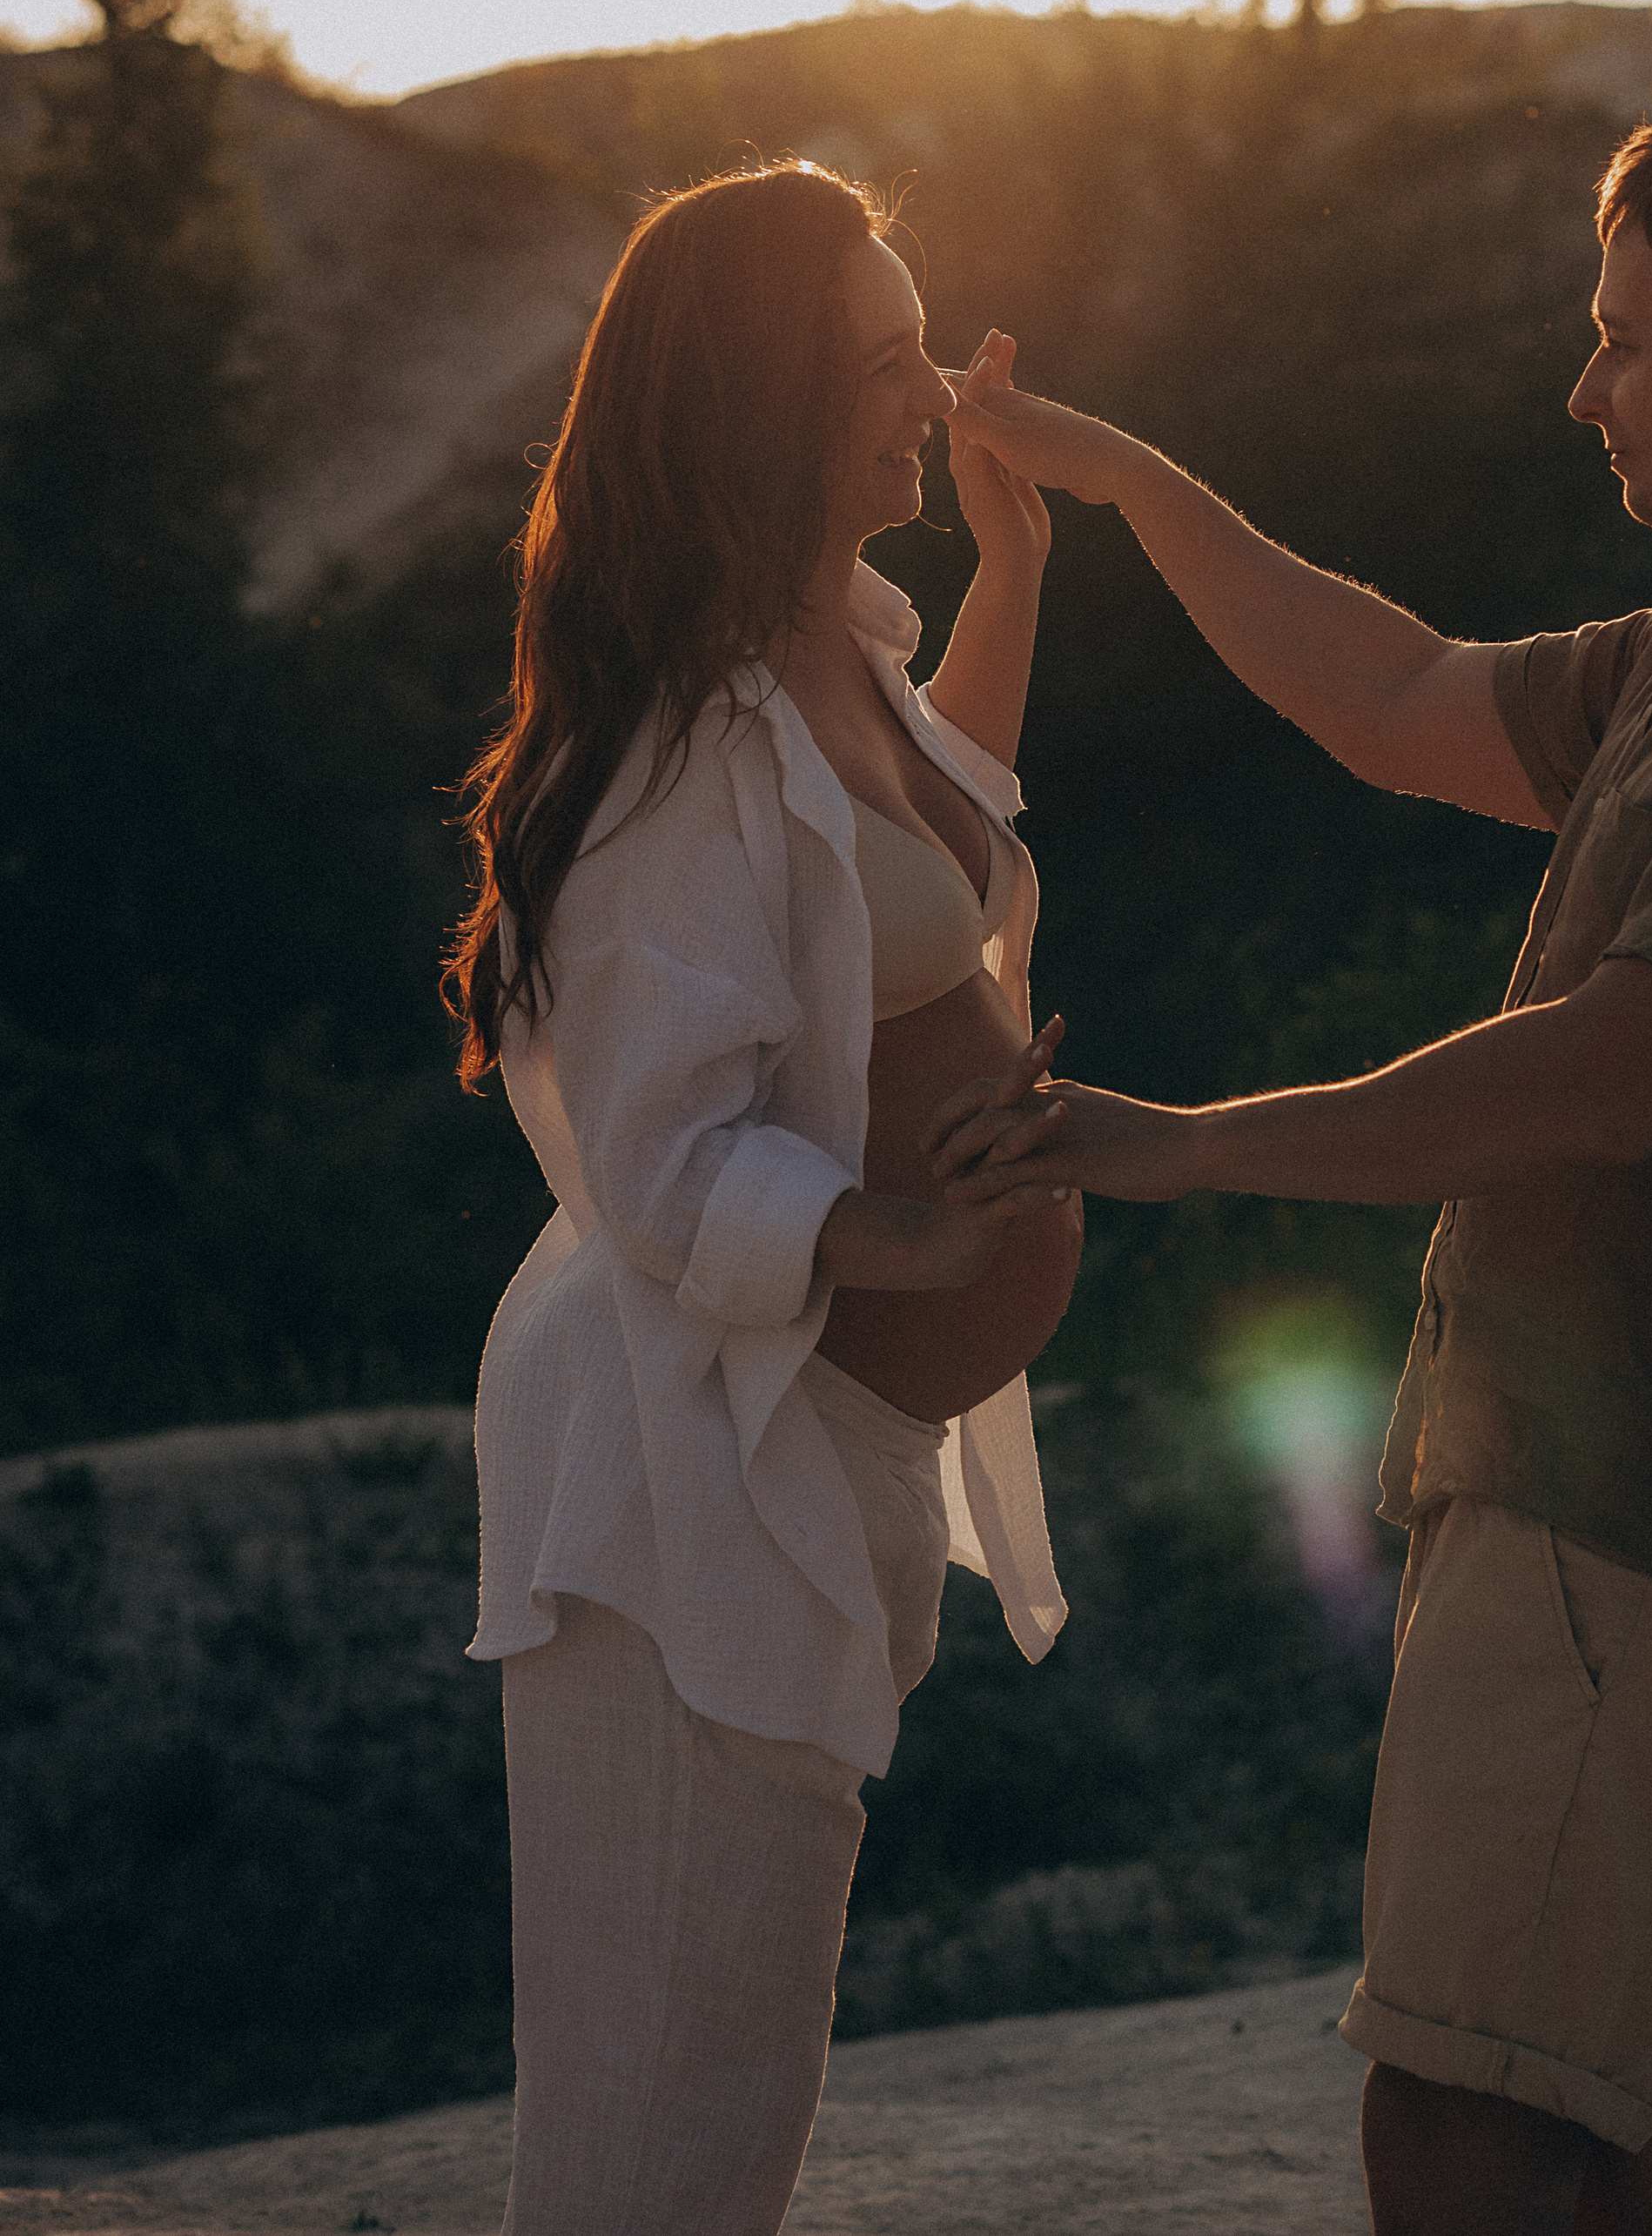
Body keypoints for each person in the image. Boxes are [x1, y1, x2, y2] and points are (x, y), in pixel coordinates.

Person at [937, 111, 1652, 2236]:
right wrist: (1125, 478)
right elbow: (1387, 690)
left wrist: (1184, 1146)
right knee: (1625, 2142)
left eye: (1621, 340)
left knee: (1461, 2141)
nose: (1581, 391)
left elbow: (1609, 1073)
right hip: (1611, 1532)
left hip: (1650, 1539)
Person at [445, 159, 1081, 2236]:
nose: (930, 385)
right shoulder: (674, 731)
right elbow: (645, 1130)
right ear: (760, 406)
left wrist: (1013, 573)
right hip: (663, 1481)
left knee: (720, 2117)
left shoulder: (849, 659)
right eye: (882, 359)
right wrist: (883, 1234)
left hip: (815, 1457)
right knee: (647, 2150)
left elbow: (917, 875)